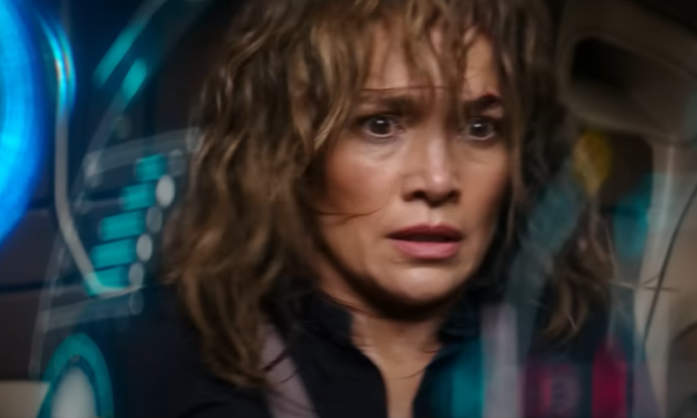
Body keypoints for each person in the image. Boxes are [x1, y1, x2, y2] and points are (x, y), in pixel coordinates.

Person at [59, 0, 656, 417]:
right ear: (290, 145)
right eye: (380, 125)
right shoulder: (149, 365)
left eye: (479, 128)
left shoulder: (581, 353)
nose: (438, 180)